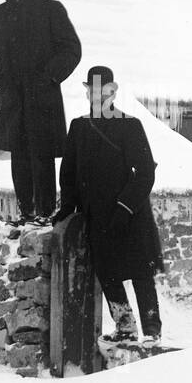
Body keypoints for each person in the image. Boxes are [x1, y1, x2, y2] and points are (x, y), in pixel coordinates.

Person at [52, 65, 165, 346]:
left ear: (113, 92)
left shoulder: (130, 125)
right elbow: (68, 174)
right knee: (108, 273)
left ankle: (152, 332)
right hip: (97, 215)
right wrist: (67, 207)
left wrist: (125, 207)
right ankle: (125, 327)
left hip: (131, 214)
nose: (96, 95)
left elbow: (146, 172)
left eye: (103, 90)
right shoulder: (79, 127)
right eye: (92, 90)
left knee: (141, 274)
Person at [0, 0, 81, 224]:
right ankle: (26, 213)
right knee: (20, 155)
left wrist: (48, 77)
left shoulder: (51, 10)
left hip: (42, 98)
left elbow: (71, 49)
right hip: (12, 99)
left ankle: (45, 214)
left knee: (42, 155)